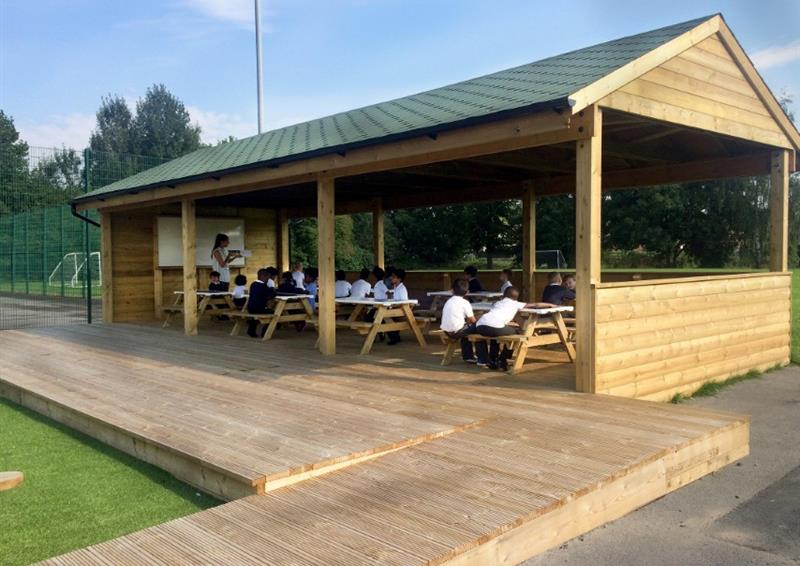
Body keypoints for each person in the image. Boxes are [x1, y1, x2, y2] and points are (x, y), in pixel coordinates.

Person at [476, 287, 556, 371]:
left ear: (504, 295)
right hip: (494, 327)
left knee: (494, 335)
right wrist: (550, 305)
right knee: (516, 333)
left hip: (480, 326)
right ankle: (503, 359)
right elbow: (536, 305)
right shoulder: (515, 304)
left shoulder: (498, 303)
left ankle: (492, 359)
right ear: (516, 298)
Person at [440, 278, 484, 364]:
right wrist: (478, 325)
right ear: (467, 292)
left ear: (452, 291)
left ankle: (468, 356)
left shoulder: (448, 301)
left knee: (466, 328)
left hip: (446, 330)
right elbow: (472, 320)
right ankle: (480, 357)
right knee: (479, 329)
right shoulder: (465, 303)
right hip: (457, 331)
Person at [246, 268, 276, 338]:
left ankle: (251, 330)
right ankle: (265, 332)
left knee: (255, 316)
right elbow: (271, 294)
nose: (268, 280)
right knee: (274, 313)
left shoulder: (253, 284)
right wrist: (272, 289)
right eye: (267, 278)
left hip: (250, 308)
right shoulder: (263, 286)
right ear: (263, 277)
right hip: (259, 308)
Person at [386, 269, 408, 345]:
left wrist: (393, 306)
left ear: (399, 279)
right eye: (392, 276)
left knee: (384, 317)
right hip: (394, 310)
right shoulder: (395, 287)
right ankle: (394, 336)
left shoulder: (402, 289)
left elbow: (404, 303)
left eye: (393, 277)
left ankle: (394, 336)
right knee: (376, 313)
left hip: (400, 312)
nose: (391, 278)